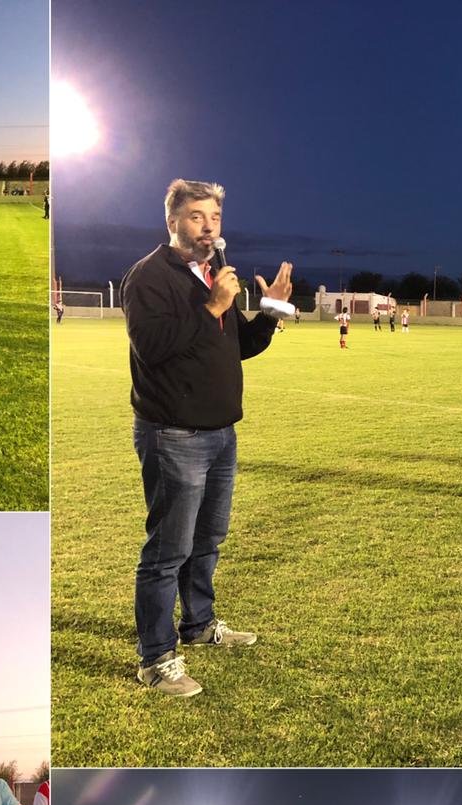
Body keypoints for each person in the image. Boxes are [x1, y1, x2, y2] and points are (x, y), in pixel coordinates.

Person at [122, 178, 293, 697]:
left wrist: (269, 312)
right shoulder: (149, 276)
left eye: (214, 219)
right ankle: (155, 658)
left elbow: (232, 347)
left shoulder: (211, 274)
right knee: (167, 551)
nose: (208, 228)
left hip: (221, 434)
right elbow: (155, 348)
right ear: (172, 220)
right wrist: (214, 308)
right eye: (197, 217)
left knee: (208, 540)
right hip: (174, 434)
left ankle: (198, 624)